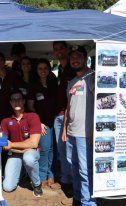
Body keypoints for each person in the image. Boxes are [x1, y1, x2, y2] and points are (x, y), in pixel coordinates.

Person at [61, 46, 96, 206]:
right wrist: (65, 128)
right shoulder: (72, 81)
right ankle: (77, 198)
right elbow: (68, 106)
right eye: (72, 57)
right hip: (73, 132)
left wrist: (94, 131)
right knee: (74, 168)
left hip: (86, 134)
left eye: (78, 56)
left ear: (85, 58)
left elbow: (101, 106)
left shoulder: (93, 78)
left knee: (85, 171)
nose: (75, 59)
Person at [0, 90, 43, 197]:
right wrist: (20, 148)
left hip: (31, 152)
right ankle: (23, 171)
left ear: (24, 101)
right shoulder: (5, 120)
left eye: (19, 99)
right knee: (7, 187)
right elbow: (4, 144)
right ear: (10, 103)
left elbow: (33, 143)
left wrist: (12, 145)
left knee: (28, 158)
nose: (16, 102)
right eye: (13, 100)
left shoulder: (33, 116)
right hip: (15, 154)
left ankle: (37, 184)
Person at [27, 58, 59, 189]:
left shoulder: (54, 83)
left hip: (54, 121)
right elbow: (30, 106)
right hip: (42, 123)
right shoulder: (34, 86)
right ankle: (42, 177)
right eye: (40, 68)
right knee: (45, 150)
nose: (43, 71)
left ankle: (51, 175)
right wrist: (38, 122)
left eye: (45, 68)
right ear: (36, 70)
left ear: (49, 69)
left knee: (53, 150)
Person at [52, 41, 76, 189]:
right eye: (56, 49)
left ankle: (74, 182)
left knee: (70, 150)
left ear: (67, 49)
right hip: (58, 116)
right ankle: (66, 179)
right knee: (62, 150)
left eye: (61, 48)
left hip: (69, 116)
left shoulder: (73, 68)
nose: (58, 51)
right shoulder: (60, 69)